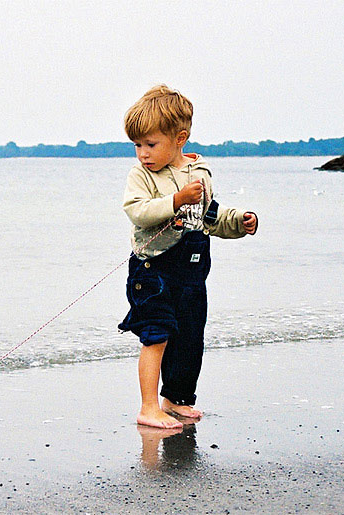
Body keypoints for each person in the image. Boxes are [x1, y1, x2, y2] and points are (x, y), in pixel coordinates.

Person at [119, 85, 258, 429]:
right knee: (157, 333)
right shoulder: (141, 176)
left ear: (179, 138)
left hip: (192, 271)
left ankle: (176, 399)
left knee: (189, 336)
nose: (143, 153)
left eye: (151, 144)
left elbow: (209, 216)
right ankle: (148, 406)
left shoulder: (199, 172)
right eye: (137, 145)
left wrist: (238, 221)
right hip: (152, 269)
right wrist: (177, 200)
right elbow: (138, 211)